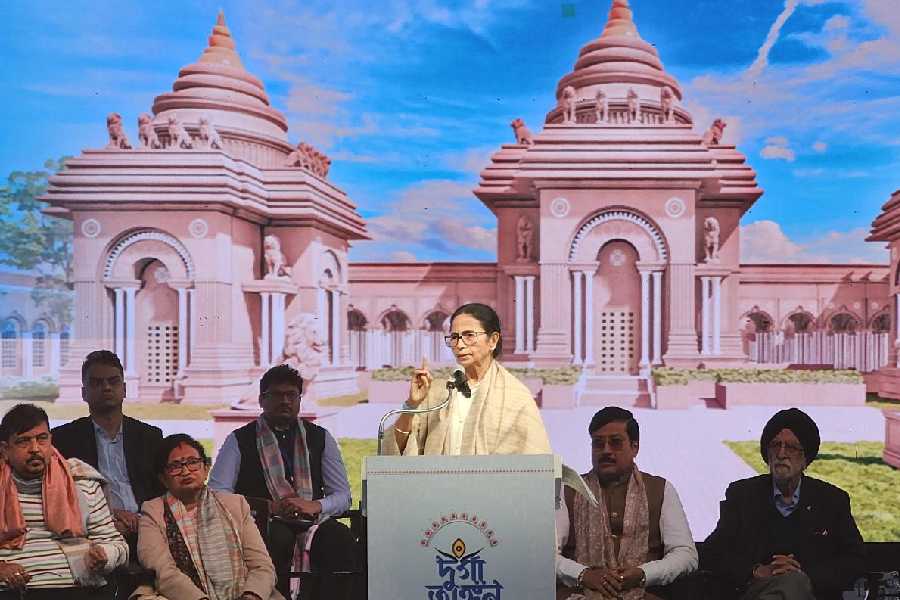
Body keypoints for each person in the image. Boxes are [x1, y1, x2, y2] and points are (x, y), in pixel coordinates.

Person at [208, 364, 356, 600]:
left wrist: (314, 506)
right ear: (261, 400)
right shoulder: (239, 440)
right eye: (276, 395)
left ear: (299, 399)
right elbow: (217, 494)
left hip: (312, 521)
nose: (285, 401)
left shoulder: (320, 438)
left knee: (340, 539)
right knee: (277, 538)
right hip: (260, 523)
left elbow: (342, 496)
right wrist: (270, 507)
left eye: (291, 395)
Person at [703, 408, 865, 600]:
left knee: (793, 583)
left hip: (811, 591)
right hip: (754, 590)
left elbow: (856, 560)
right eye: (775, 445)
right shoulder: (743, 495)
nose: (781, 453)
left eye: (791, 447)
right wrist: (755, 571)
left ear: (806, 459)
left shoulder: (831, 500)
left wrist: (806, 575)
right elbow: (713, 552)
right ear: (767, 454)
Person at [52, 350, 164, 598]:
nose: (106, 388)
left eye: (113, 381)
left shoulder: (149, 437)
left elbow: (162, 493)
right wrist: (110, 516)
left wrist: (142, 517)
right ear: (84, 393)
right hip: (93, 531)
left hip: (146, 527)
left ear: (124, 389)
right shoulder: (64, 439)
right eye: (96, 382)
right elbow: (60, 496)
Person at [556, 407, 697, 599]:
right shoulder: (566, 490)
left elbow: (686, 554)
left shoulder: (660, 489)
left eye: (615, 443)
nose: (606, 450)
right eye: (598, 444)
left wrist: (642, 574)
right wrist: (584, 575)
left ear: (635, 447)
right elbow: (545, 554)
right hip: (580, 594)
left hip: (643, 593)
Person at [383, 302, 551, 455]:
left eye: (469, 335)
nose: (460, 345)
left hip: (494, 488)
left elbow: (534, 460)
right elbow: (398, 449)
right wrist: (412, 405)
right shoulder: (438, 393)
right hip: (436, 487)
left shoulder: (517, 396)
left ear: (492, 340)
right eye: (455, 337)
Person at [0, 403, 128, 599]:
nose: (35, 449)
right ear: (5, 450)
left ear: (51, 440)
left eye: (42, 439)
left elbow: (118, 546)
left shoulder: (81, 483)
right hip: (14, 591)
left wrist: (105, 556)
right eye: (23, 441)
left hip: (80, 587)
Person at [133, 434, 282, 600]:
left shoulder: (235, 504)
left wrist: (250, 597)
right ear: (163, 478)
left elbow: (261, 566)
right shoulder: (153, 511)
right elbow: (162, 571)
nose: (186, 471)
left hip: (243, 594)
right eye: (175, 466)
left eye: (192, 462)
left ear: (206, 469)